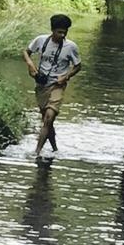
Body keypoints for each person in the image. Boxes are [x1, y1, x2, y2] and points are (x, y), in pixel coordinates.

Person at [22, 13, 81, 157]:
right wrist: (30, 64)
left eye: (64, 32)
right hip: (42, 85)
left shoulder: (71, 47)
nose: (62, 35)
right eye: (59, 32)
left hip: (57, 86)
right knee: (47, 121)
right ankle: (55, 149)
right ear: (52, 30)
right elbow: (26, 52)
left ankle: (37, 152)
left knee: (49, 117)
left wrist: (66, 76)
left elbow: (78, 66)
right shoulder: (41, 41)